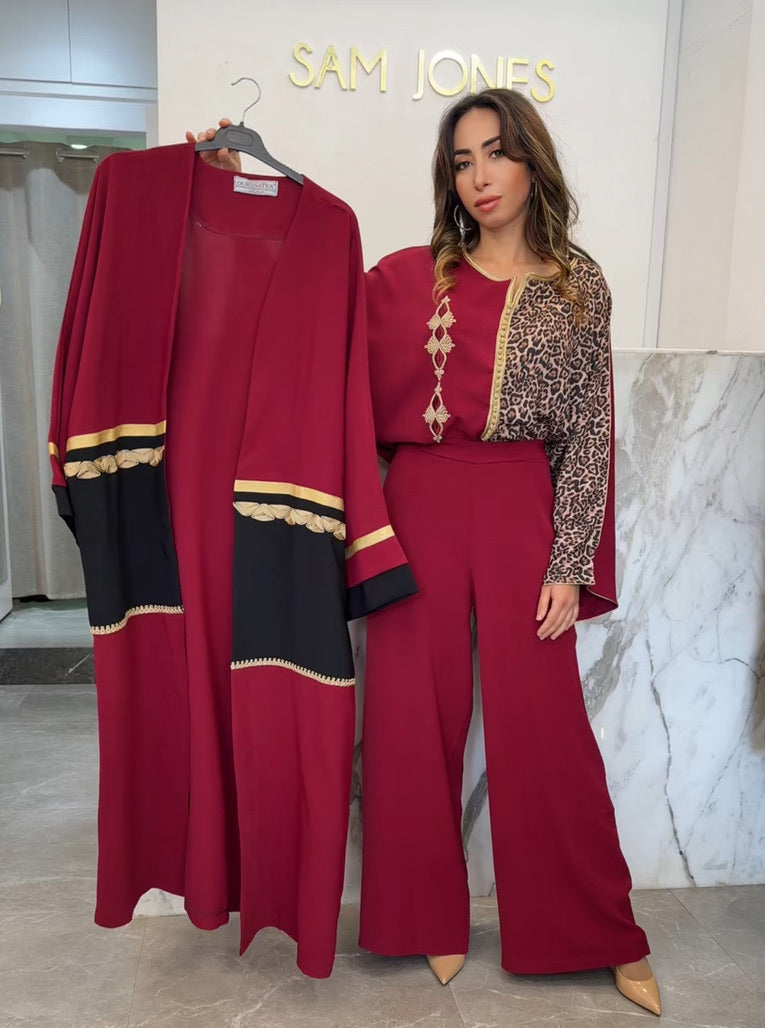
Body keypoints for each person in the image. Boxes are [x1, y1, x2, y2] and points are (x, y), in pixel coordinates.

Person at [189, 89, 661, 1016]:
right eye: (461, 160)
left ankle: (593, 928)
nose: (480, 176)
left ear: (531, 161)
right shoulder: (407, 280)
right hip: (417, 504)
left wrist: (569, 560)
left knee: (545, 728)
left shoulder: (578, 285)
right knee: (409, 718)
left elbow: (586, 436)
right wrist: (225, 189)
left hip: (522, 506)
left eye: (496, 152)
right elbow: (296, 308)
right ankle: (421, 915)